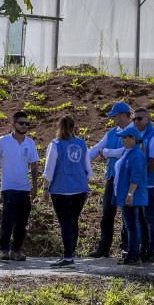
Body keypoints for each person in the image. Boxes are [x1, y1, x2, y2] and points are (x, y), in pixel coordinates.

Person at [0, 111, 39, 261]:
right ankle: (3, 249)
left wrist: (35, 186)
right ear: (13, 125)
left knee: (22, 222)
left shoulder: (30, 143)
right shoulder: (3, 141)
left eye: (27, 123)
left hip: (24, 188)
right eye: (21, 123)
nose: (25, 126)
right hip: (8, 188)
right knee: (8, 219)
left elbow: (34, 165)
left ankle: (16, 250)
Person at [42, 115, 92, 268]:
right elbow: (88, 170)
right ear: (73, 127)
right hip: (80, 189)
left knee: (64, 223)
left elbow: (49, 170)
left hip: (60, 189)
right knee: (73, 221)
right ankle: (70, 254)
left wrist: (45, 188)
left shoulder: (55, 144)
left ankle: (68, 256)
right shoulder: (82, 144)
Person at [87, 101, 132, 258]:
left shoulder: (134, 131)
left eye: (115, 116)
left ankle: (125, 247)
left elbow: (126, 151)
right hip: (112, 178)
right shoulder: (112, 133)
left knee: (127, 214)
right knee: (107, 213)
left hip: (127, 179)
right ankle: (103, 248)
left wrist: (106, 152)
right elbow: (96, 149)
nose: (113, 119)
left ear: (122, 116)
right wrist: (82, 160)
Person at [133, 107, 154, 263]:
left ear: (148, 119)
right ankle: (144, 248)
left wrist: (142, 177)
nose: (136, 121)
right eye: (134, 119)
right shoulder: (139, 136)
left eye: (139, 119)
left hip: (153, 184)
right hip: (143, 184)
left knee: (151, 218)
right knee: (141, 218)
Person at [113, 126, 148, 265]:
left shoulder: (136, 155)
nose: (123, 140)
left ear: (133, 139)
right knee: (131, 226)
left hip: (132, 196)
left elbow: (136, 177)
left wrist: (130, 194)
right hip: (126, 196)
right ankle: (132, 254)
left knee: (132, 226)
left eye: (125, 138)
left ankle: (133, 255)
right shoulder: (129, 152)